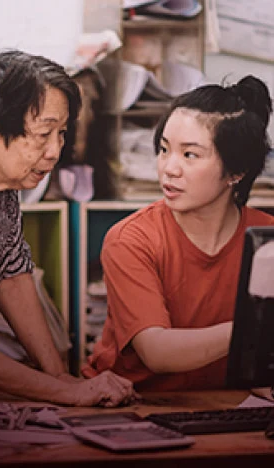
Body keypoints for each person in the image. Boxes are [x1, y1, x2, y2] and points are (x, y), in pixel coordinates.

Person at [0, 49, 137, 407]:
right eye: (43, 134)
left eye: (61, 133)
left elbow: (12, 276)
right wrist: (68, 392)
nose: (55, 150)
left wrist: (60, 376)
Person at [82, 75, 274, 392]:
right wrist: (255, 329)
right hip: (128, 408)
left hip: (222, 406)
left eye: (189, 155)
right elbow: (157, 351)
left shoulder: (265, 239)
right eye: (163, 149)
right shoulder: (130, 239)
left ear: (236, 171)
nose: (169, 168)